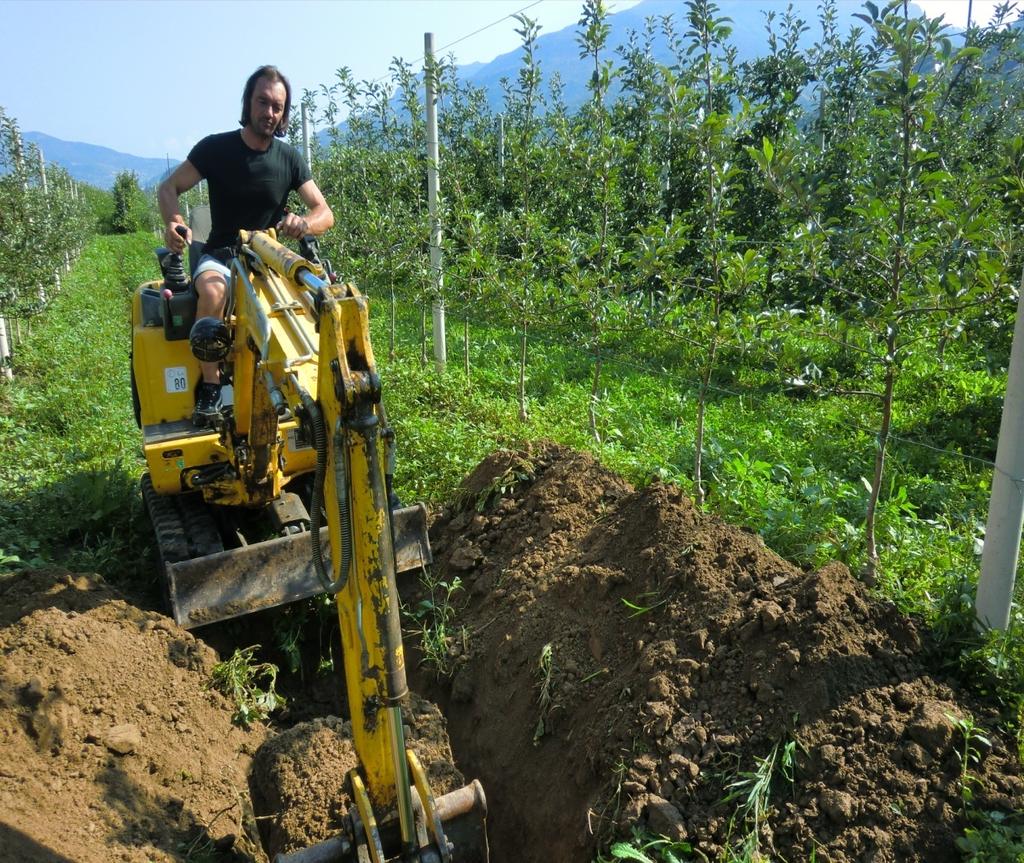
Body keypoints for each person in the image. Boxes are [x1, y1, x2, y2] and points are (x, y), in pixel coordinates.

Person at [158, 65, 334, 426]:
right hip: (223, 253)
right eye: (263, 102)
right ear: (248, 103)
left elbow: (324, 212)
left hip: (271, 258)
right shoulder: (216, 149)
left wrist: (304, 223)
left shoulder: (289, 159)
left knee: (311, 305)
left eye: (277, 107)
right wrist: (174, 224)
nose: (270, 113)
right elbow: (169, 188)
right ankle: (211, 385)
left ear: (284, 113)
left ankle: (304, 388)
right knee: (212, 292)